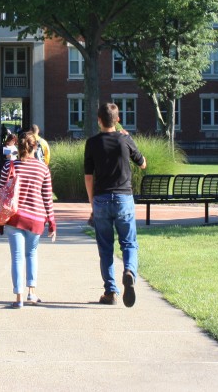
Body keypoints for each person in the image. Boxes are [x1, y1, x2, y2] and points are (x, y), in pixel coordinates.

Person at [0, 130, 56, 308]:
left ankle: (18, 297)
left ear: (18, 147)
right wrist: (52, 222)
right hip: (36, 218)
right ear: (35, 147)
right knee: (31, 254)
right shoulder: (43, 169)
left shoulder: (10, 167)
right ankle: (32, 292)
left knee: (17, 257)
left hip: (14, 218)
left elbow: (0, 197)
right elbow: (47, 198)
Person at [84, 103, 146, 307]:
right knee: (129, 242)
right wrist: (129, 139)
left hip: (101, 199)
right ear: (117, 119)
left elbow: (88, 177)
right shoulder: (125, 139)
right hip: (124, 199)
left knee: (105, 247)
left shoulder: (91, 143)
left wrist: (92, 203)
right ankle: (129, 271)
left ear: (99, 120)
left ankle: (110, 292)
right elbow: (142, 163)